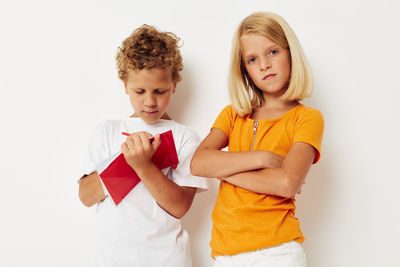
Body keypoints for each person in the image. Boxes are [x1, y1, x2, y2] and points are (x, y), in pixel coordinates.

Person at [190, 12, 324, 267]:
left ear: (290, 53)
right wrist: (263, 158)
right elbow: (198, 163)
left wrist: (223, 171)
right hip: (225, 253)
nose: (264, 64)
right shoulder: (232, 115)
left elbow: (286, 183)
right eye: (252, 59)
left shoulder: (307, 118)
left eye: (272, 52)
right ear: (244, 70)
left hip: (277, 252)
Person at [78, 24, 209, 267]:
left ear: (174, 85)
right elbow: (86, 196)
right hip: (113, 260)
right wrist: (126, 162)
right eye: (140, 91)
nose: (150, 101)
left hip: (167, 259)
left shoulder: (184, 137)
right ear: (125, 85)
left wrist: (144, 166)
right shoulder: (107, 131)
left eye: (160, 91)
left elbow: (180, 207)